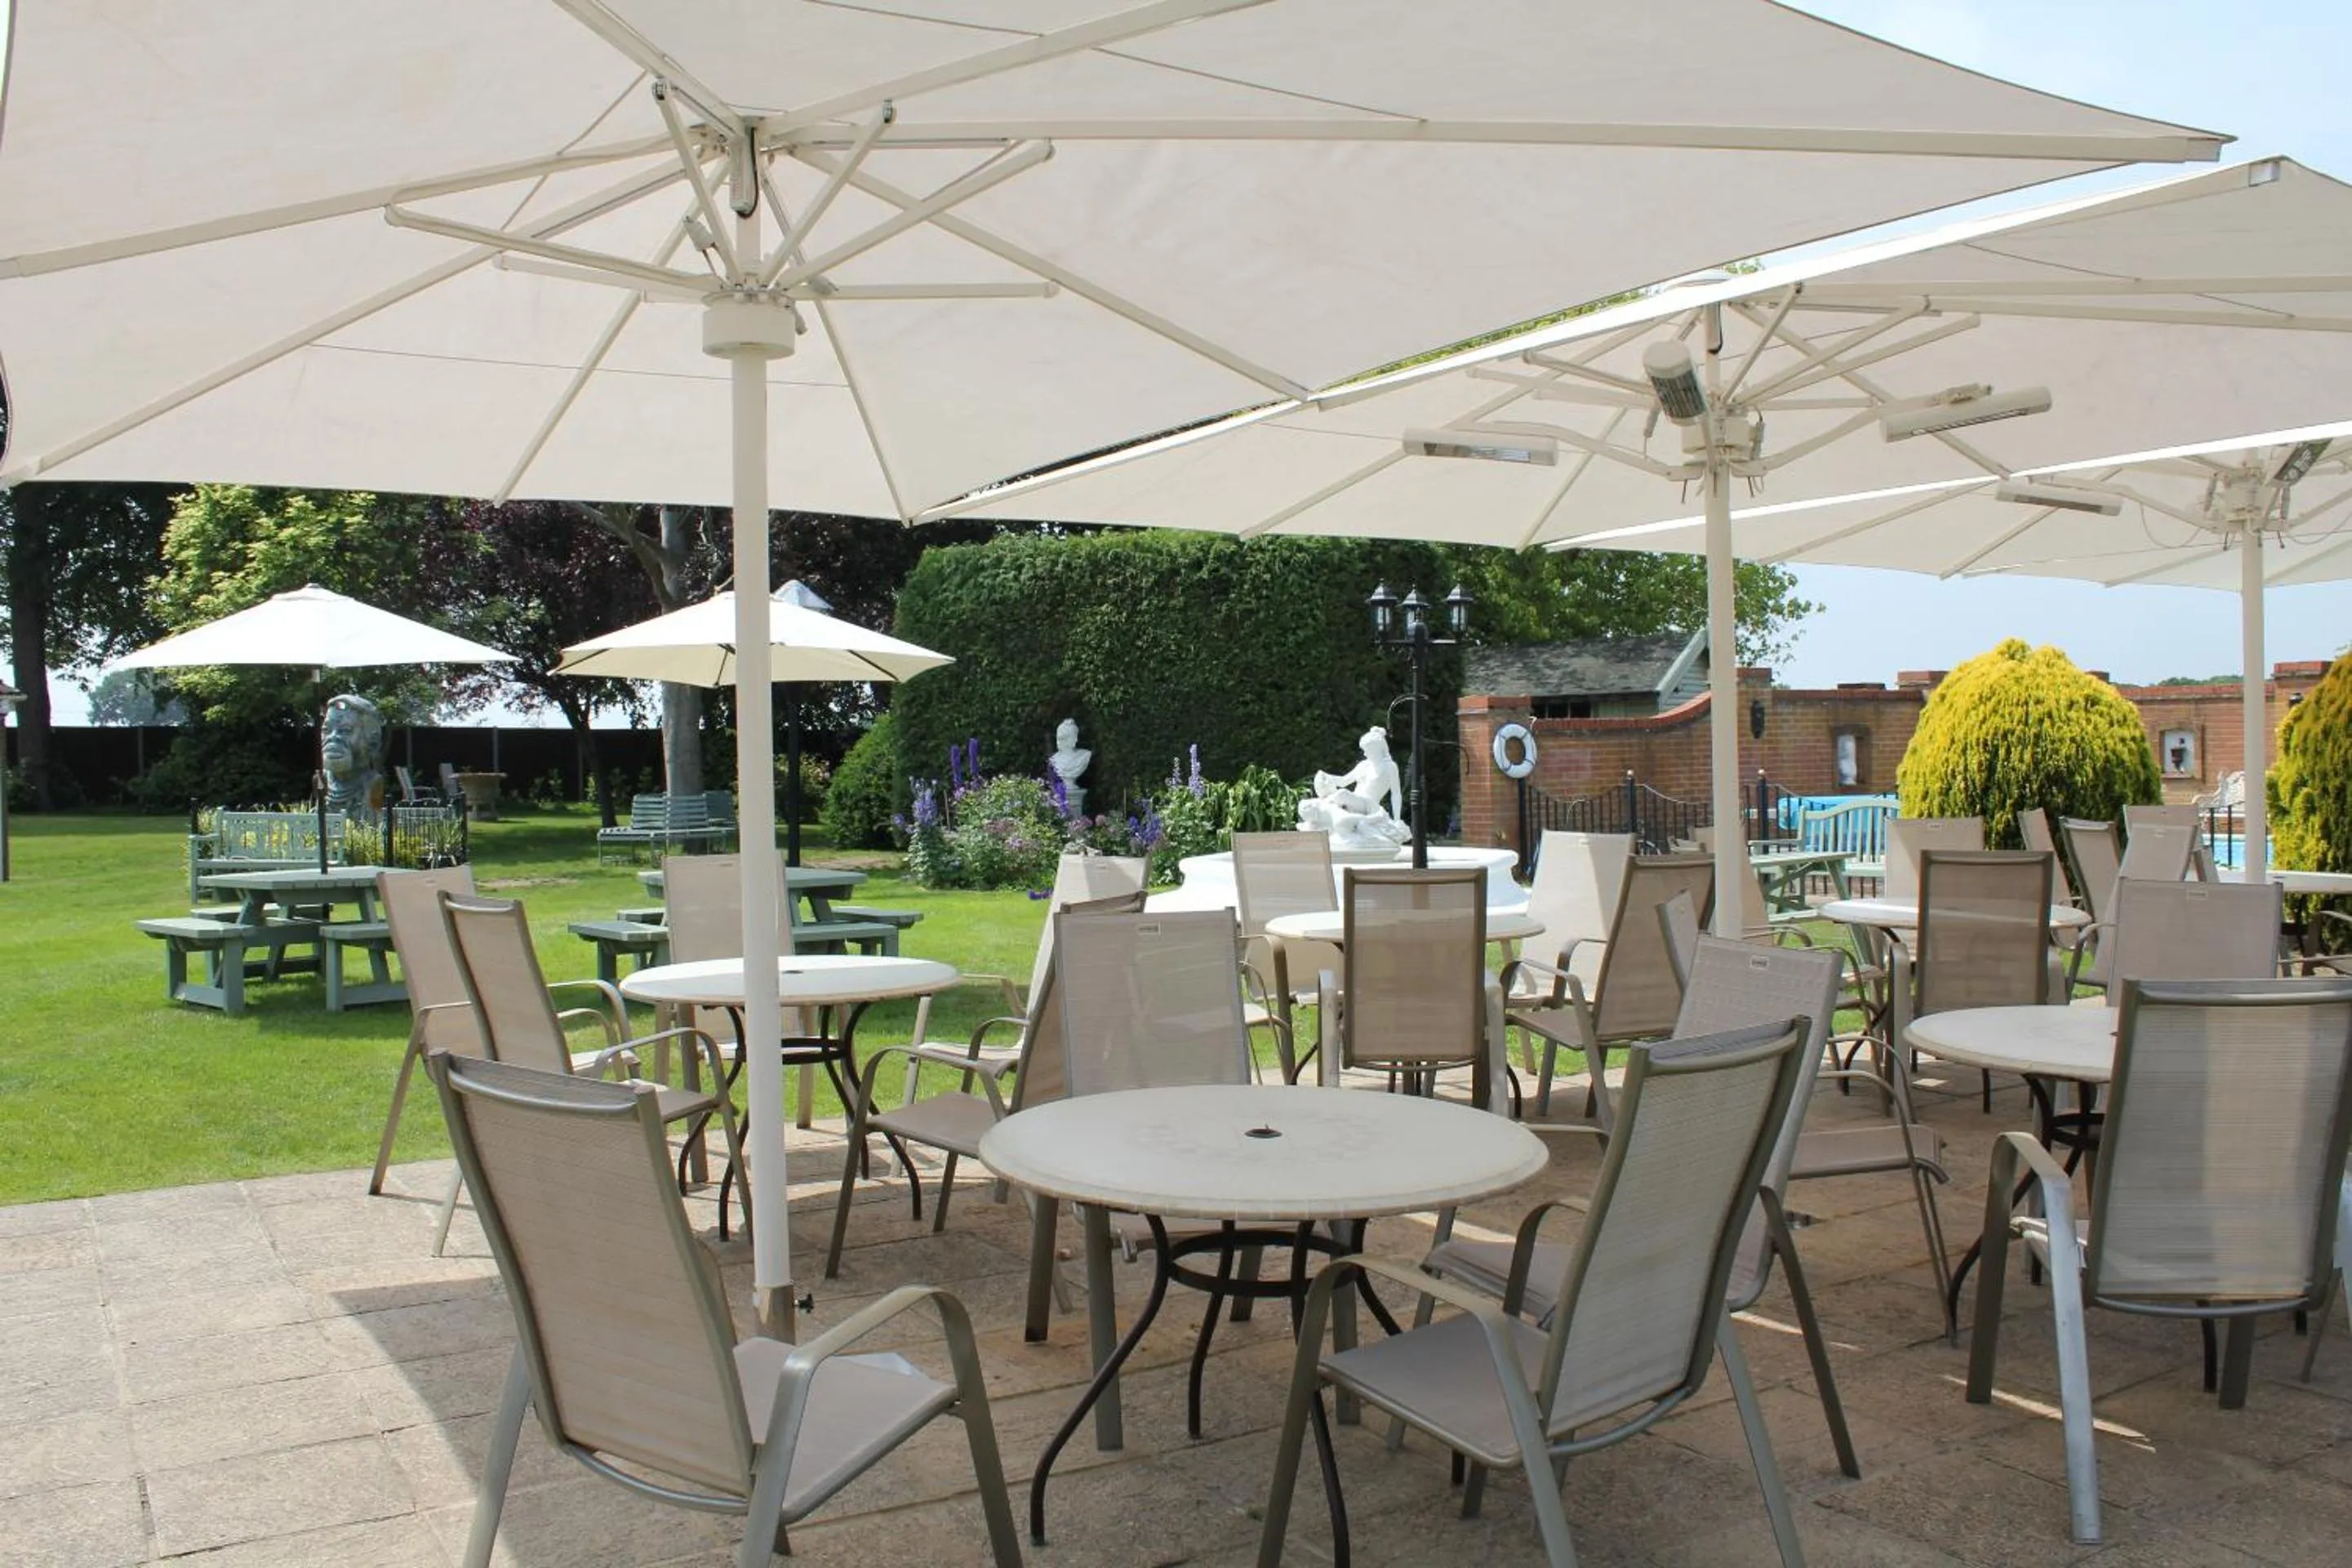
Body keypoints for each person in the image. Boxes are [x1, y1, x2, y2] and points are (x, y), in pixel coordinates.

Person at [1297, 727, 1409, 846]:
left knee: (1341, 794)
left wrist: (1397, 819)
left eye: (1367, 751)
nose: (1365, 754)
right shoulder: (1364, 765)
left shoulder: (1390, 767)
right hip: (1354, 799)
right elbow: (1344, 781)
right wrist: (1327, 777)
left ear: (1376, 749)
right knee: (1334, 798)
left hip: (1369, 805)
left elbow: (1396, 794)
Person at [321, 694, 385, 815]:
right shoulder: (322, 780)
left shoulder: (372, 783)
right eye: (326, 730)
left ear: (372, 741)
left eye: (345, 731)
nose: (333, 737)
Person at [1048, 718, 1091, 815]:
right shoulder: (1054, 759)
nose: (1059, 741)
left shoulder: (1084, 756)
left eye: (1062, 738)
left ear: (1074, 738)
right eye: (1059, 737)